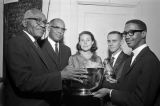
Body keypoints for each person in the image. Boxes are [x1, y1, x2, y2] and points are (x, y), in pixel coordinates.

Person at [5, 9, 86, 106]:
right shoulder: (17, 42)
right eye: (38, 20)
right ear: (25, 22)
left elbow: (40, 74)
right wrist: (60, 76)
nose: (43, 25)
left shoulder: (33, 43)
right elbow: (24, 82)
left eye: (44, 22)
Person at [93, 19, 160, 106]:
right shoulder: (131, 58)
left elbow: (141, 101)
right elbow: (122, 86)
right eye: (125, 33)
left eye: (131, 32)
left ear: (143, 34)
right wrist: (93, 78)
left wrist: (110, 92)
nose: (127, 36)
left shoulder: (150, 60)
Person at [64, 31, 103, 106]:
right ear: (79, 43)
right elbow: (68, 81)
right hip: (76, 98)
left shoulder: (98, 59)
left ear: (92, 42)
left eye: (88, 40)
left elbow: (99, 80)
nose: (85, 43)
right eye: (82, 40)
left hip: (93, 97)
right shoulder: (72, 58)